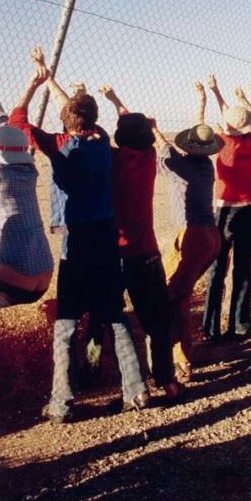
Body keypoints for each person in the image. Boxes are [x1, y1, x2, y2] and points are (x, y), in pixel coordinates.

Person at [9, 46, 148, 424]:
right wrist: (53, 82)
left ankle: (62, 402)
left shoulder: (59, 147)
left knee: (67, 321)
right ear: (93, 119)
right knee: (114, 313)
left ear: (65, 121)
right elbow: (79, 115)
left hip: (77, 241)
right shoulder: (102, 142)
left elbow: (17, 122)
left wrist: (34, 82)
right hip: (106, 238)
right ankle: (136, 390)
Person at [96, 83, 182, 403]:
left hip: (114, 253)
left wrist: (106, 100)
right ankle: (168, 381)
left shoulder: (109, 159)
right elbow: (133, 126)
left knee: (117, 319)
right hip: (145, 254)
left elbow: (85, 124)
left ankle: (134, 386)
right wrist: (117, 100)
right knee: (157, 320)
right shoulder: (147, 158)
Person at [153, 82, 225, 386]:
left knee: (174, 295)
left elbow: (164, 154)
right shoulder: (205, 166)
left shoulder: (179, 168)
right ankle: (179, 353)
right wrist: (202, 99)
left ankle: (181, 359)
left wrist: (155, 131)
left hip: (192, 236)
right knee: (177, 292)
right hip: (211, 236)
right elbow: (198, 134)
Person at [202, 75, 251, 339]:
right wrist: (219, 94)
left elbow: (205, 130)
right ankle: (240, 323)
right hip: (249, 208)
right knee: (241, 267)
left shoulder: (223, 141)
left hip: (225, 209)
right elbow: (242, 120)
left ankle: (210, 327)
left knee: (217, 268)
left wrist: (210, 95)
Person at [0, 79, 53, 309]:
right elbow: (5, 128)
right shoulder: (28, 170)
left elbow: (2, 129)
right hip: (42, 273)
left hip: (11, 280)